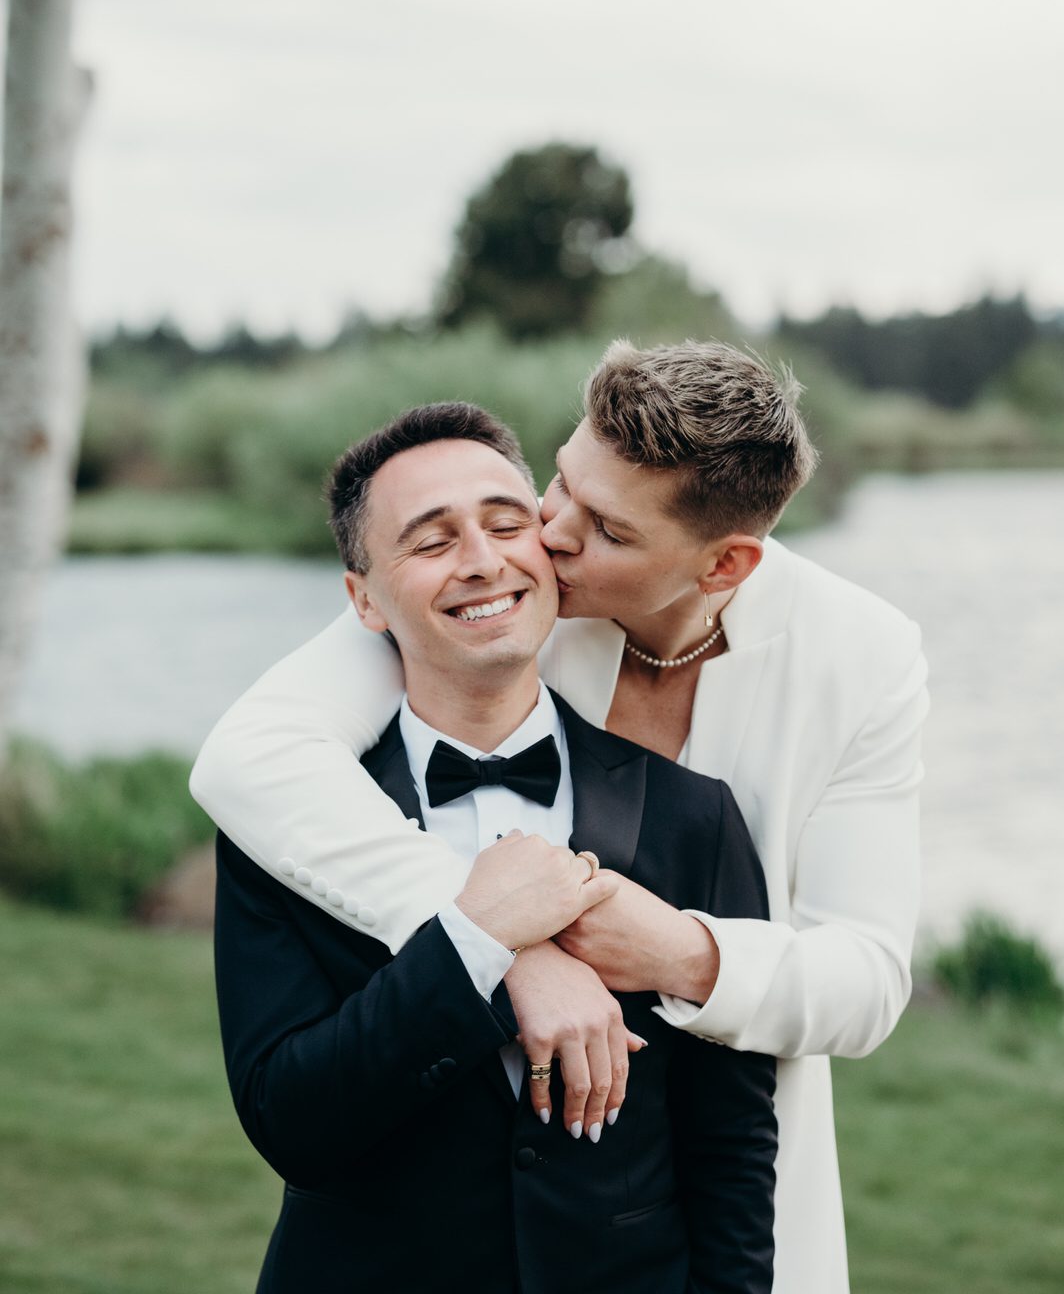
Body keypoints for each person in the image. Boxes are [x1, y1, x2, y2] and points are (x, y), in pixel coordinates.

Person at [193, 338, 929, 1293]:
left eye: (609, 530)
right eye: (562, 486)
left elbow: (865, 979)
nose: (550, 536)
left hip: (674, 1206)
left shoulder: (860, 658)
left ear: (725, 565)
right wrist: (502, 942)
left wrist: (675, 951)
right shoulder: (491, 585)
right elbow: (253, 757)